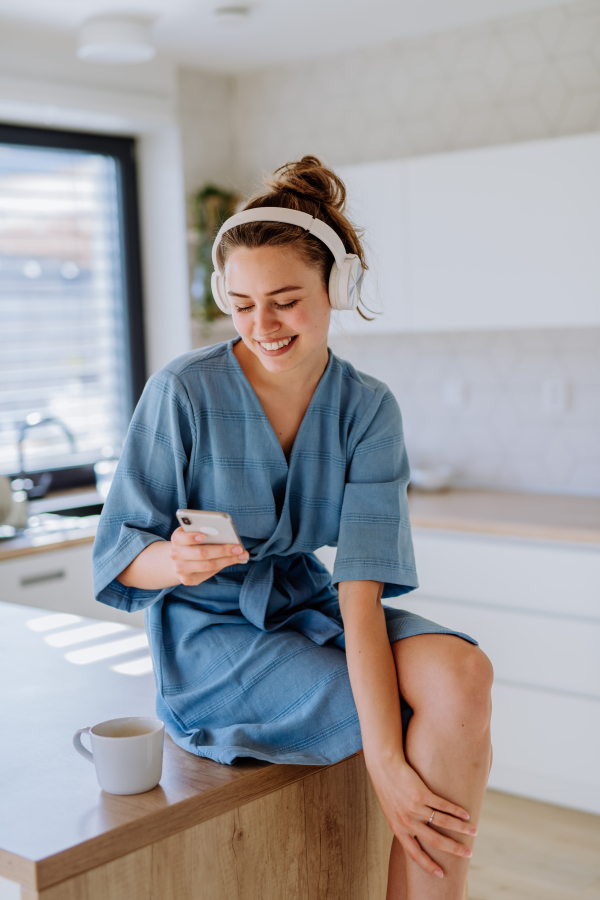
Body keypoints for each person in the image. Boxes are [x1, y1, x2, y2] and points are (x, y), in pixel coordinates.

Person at [93, 156, 493, 899]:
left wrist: (391, 767)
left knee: (462, 673)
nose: (261, 325)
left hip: (306, 606)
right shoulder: (183, 391)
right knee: (396, 715)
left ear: (335, 290)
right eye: (242, 304)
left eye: (285, 301)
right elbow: (119, 555)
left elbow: (360, 592)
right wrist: (174, 562)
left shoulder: (367, 407)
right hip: (211, 634)